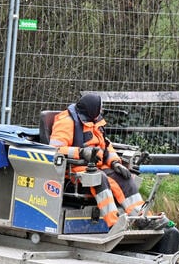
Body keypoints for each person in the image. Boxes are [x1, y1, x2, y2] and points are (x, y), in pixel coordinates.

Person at [49, 93, 169, 230]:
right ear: (92, 109)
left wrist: (115, 163)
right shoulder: (66, 121)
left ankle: (141, 218)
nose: (101, 111)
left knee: (124, 178)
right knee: (100, 178)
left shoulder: (95, 121)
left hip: (96, 165)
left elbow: (106, 146)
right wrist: (81, 152)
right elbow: (55, 149)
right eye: (100, 108)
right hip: (74, 168)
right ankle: (114, 224)